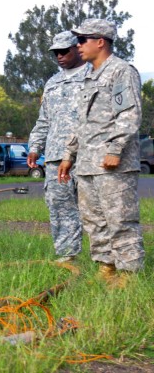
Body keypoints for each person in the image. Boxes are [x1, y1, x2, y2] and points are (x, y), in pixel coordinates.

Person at [57, 19, 145, 288]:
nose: (78, 45)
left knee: (120, 220)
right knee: (94, 221)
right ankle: (106, 268)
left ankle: (129, 275)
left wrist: (116, 149)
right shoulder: (89, 76)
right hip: (87, 164)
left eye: (83, 40)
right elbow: (81, 122)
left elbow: (129, 114)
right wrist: (69, 154)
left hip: (112, 164)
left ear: (100, 41)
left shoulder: (121, 71)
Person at [28, 31, 89, 263]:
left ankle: (104, 261)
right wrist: (35, 146)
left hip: (86, 154)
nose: (60, 56)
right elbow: (44, 119)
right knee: (60, 207)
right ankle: (67, 257)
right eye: (56, 53)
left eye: (64, 51)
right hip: (55, 156)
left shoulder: (93, 75)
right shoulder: (52, 82)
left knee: (95, 208)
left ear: (78, 49)